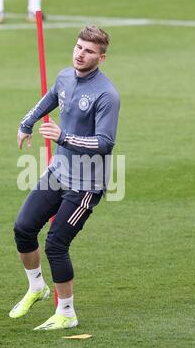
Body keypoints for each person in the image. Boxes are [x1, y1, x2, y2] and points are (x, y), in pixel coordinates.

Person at [10, 26, 121, 330]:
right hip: (58, 174)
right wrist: (27, 123)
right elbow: (50, 99)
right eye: (78, 47)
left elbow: (104, 143)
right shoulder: (64, 76)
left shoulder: (107, 94)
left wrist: (63, 137)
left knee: (56, 244)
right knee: (23, 228)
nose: (80, 54)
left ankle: (67, 313)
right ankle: (36, 288)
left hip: (86, 184)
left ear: (102, 57)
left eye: (88, 51)